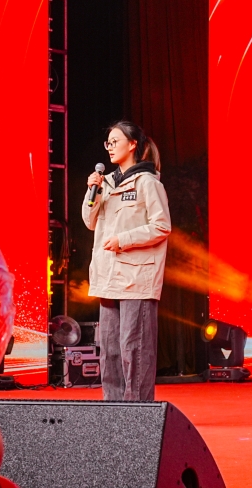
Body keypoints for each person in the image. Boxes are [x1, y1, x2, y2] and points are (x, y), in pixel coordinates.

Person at [82, 121, 171, 401]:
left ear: (132, 144)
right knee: (109, 348)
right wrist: (92, 190)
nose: (110, 147)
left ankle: (137, 410)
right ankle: (114, 408)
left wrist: (124, 239)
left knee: (135, 347)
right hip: (107, 277)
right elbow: (89, 222)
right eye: (107, 143)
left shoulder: (148, 183)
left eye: (115, 141)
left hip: (136, 279)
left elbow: (161, 227)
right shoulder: (105, 183)